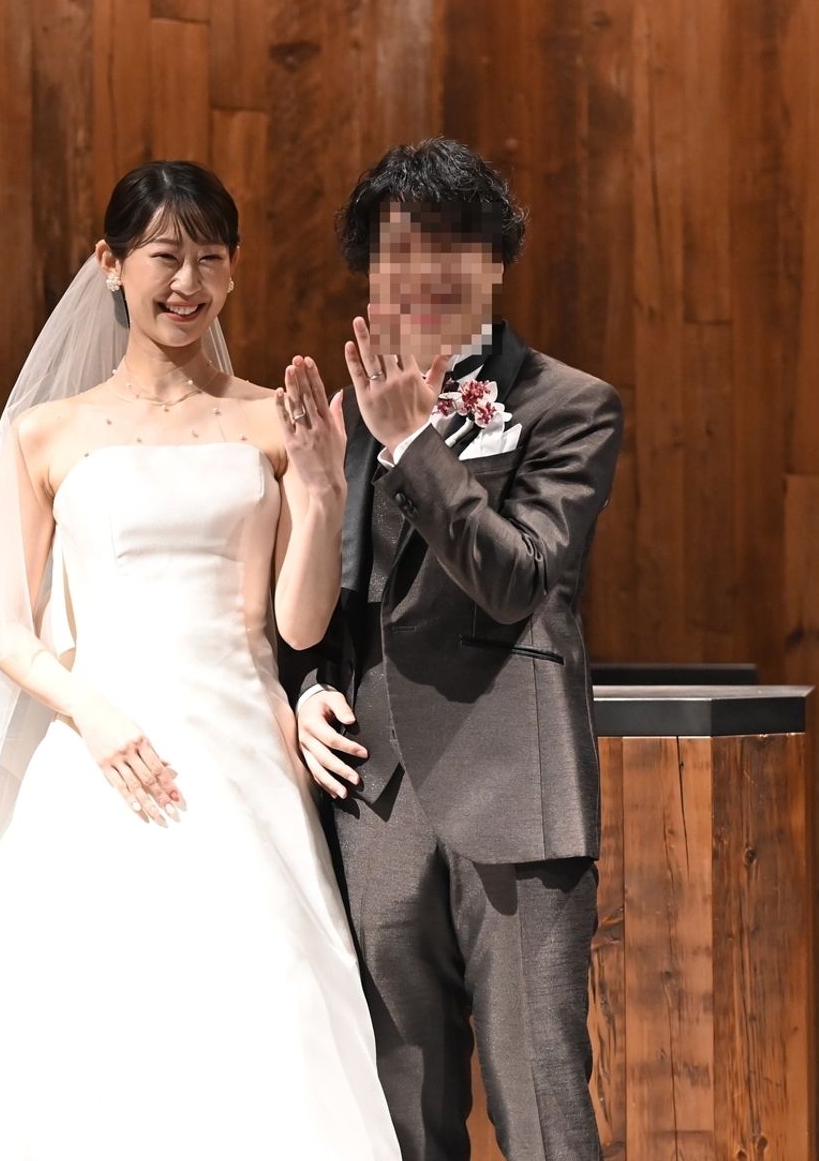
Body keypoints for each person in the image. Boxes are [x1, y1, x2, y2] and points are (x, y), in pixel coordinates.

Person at [0, 161, 402, 1159]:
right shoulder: (44, 433)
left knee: (256, 1005)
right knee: (65, 1017)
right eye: (165, 256)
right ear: (110, 263)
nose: (188, 283)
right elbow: (2, 631)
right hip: (98, 752)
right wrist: (95, 713)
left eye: (211, 259)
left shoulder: (270, 419)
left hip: (241, 748)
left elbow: (298, 626)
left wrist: (326, 490)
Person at [291, 138, 624, 1161]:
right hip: (376, 791)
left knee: (541, 1104)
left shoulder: (570, 404)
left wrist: (412, 445)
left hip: (514, 788)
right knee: (399, 1104)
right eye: (397, 252)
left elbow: (518, 578)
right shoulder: (343, 413)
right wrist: (305, 686)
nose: (421, 274)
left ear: (495, 260)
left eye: (449, 247)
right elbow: (327, 597)